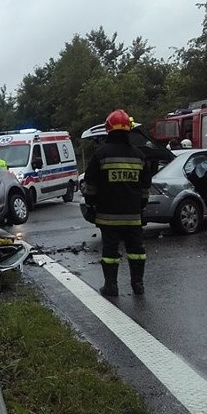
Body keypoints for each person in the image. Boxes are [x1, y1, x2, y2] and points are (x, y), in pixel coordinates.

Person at [83, 109, 151, 297]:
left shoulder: (101, 154)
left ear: (108, 130)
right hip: (133, 216)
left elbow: (90, 183)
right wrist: (141, 206)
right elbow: (146, 186)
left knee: (110, 252)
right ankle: (138, 285)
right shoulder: (138, 155)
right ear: (129, 130)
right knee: (137, 251)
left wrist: (91, 203)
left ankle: (111, 286)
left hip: (108, 217)